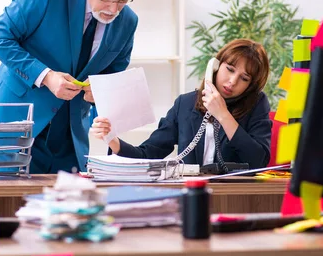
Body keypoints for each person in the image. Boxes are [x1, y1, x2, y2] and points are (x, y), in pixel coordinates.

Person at [0, 0, 138, 173]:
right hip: (16, 124)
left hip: (71, 137)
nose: (114, 10)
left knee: (69, 204)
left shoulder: (128, 21)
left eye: (123, 0)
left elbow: (113, 73)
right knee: (8, 204)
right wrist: (45, 76)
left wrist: (100, 91)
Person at [91, 39, 272, 169]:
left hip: (235, 196)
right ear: (215, 66)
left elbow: (258, 161)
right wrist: (113, 140)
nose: (232, 81)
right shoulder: (185, 104)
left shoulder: (257, 105)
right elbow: (149, 154)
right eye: (230, 69)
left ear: (251, 85)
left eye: (244, 78)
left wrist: (223, 115)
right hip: (191, 194)